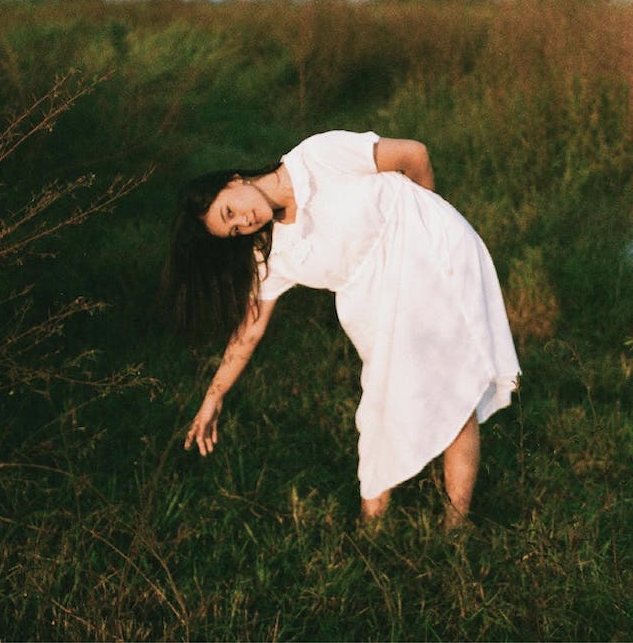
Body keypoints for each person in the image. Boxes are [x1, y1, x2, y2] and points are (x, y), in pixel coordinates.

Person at [166, 130, 521, 529]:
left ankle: (455, 530)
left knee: (454, 386)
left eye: (230, 211)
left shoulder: (317, 158)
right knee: (380, 404)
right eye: (233, 230)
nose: (244, 222)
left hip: (429, 255)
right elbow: (248, 332)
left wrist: (431, 217)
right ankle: (372, 532)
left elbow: (413, 154)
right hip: (372, 297)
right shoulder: (271, 252)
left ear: (233, 181)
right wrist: (214, 396)